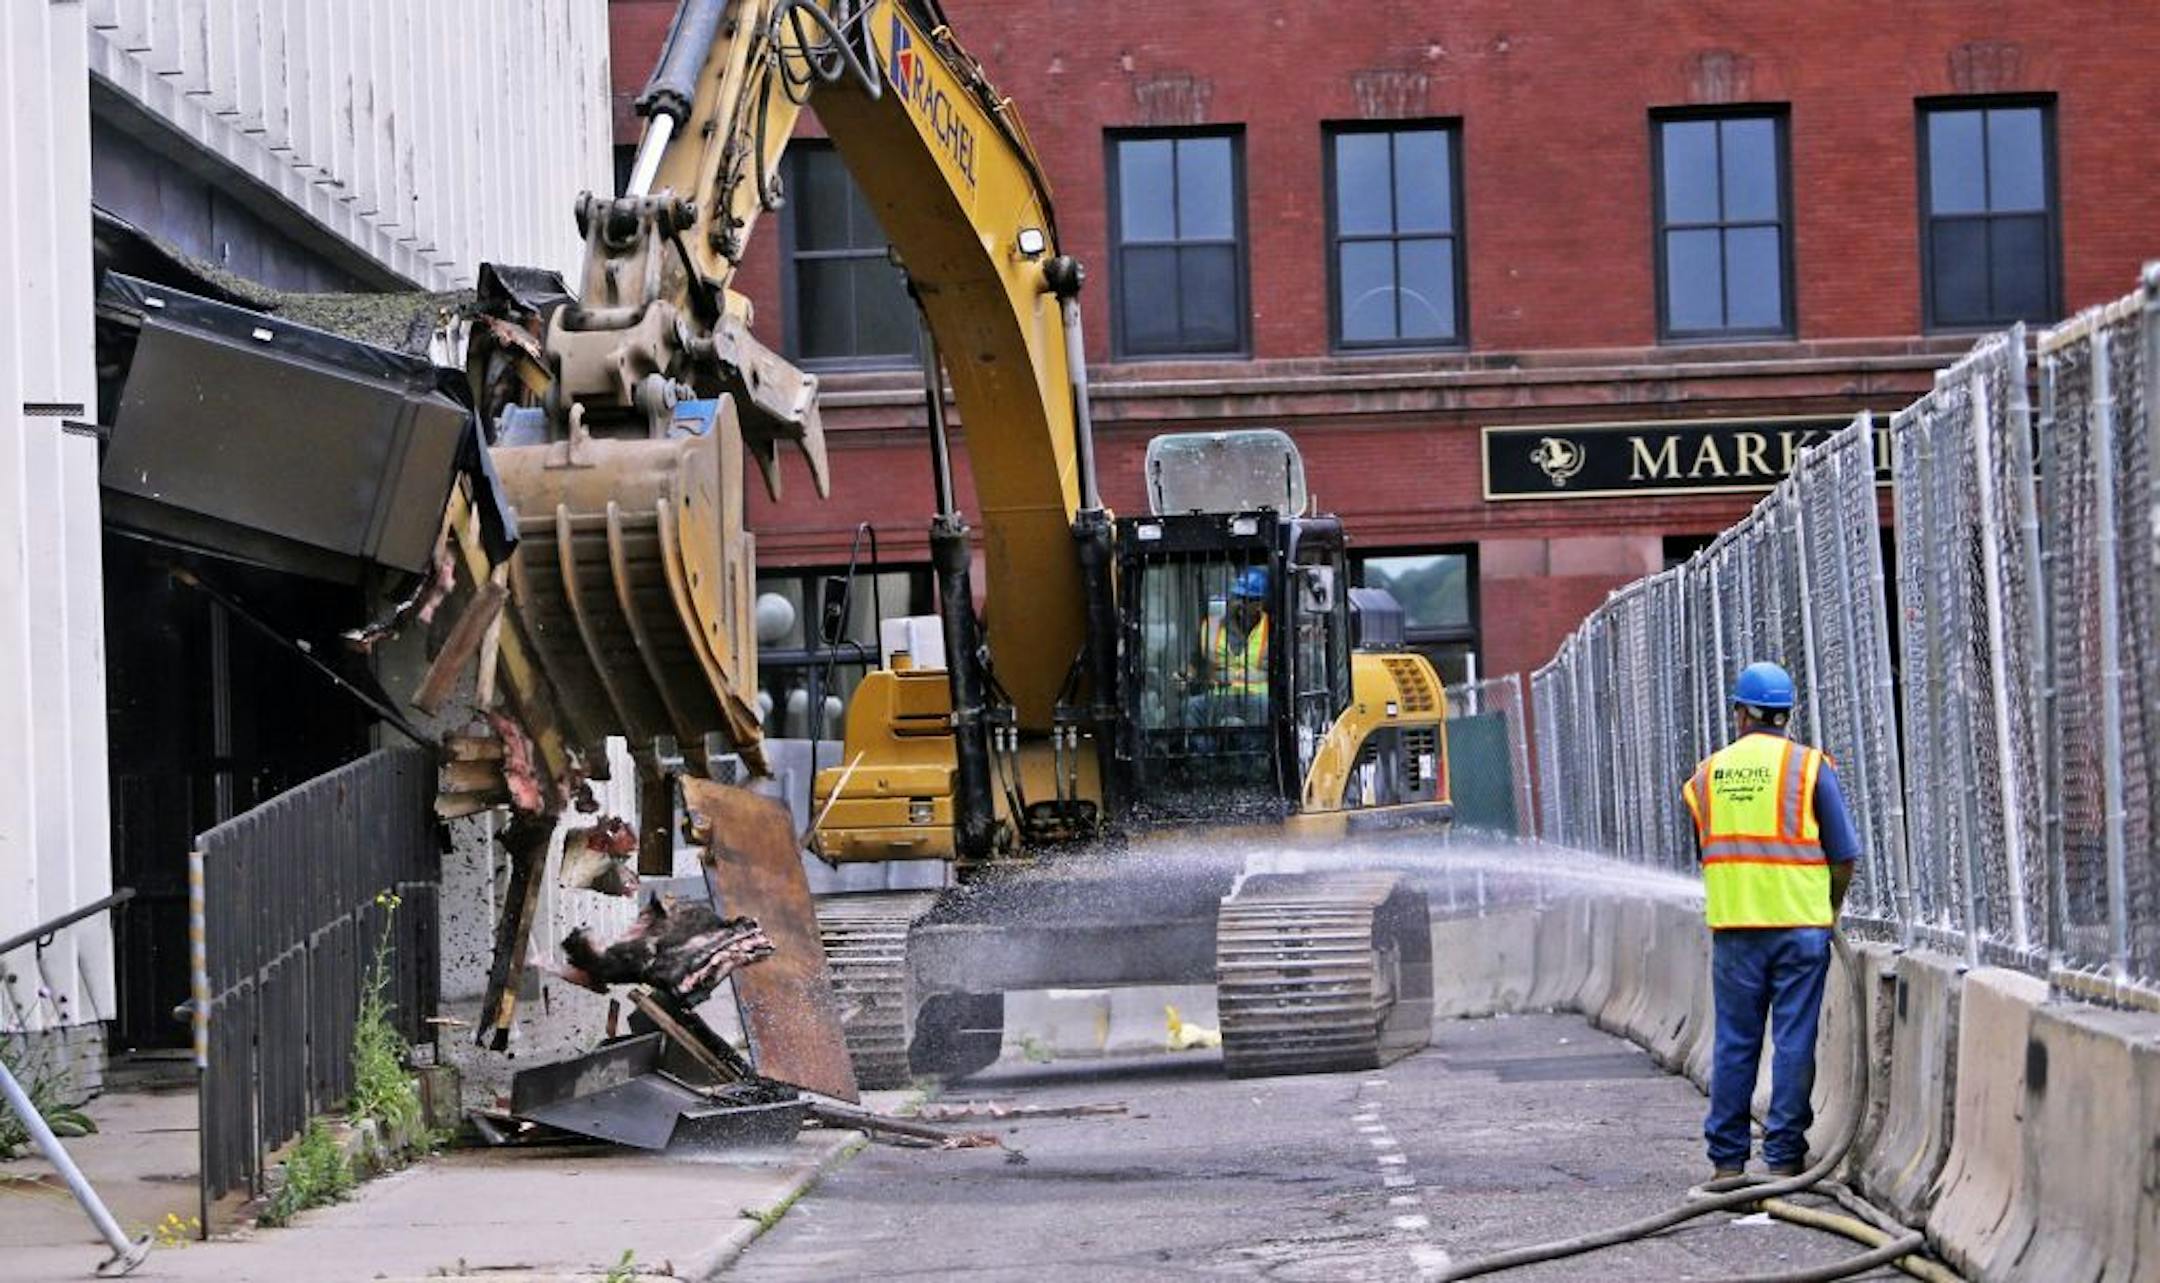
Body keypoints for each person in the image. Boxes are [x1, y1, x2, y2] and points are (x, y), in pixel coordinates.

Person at [1681, 661, 1860, 1182]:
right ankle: (1783, 1157)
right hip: (1801, 930)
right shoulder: (1809, 768)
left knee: (1735, 1043)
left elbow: (1708, 851)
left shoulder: (1707, 775)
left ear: (1740, 713)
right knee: (1794, 1040)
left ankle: (1727, 1162)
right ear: (1786, 714)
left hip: (1736, 931)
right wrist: (1831, 906)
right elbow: (1843, 854)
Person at [1198, 566, 1271, 713]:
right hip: (1219, 698)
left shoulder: (1272, 629)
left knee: (1264, 707)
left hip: (1258, 701)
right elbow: (1199, 666)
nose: (1240, 605)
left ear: (1260, 603)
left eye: (1247, 600)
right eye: (1237, 597)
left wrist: (1234, 675)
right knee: (1192, 706)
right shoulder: (1212, 627)